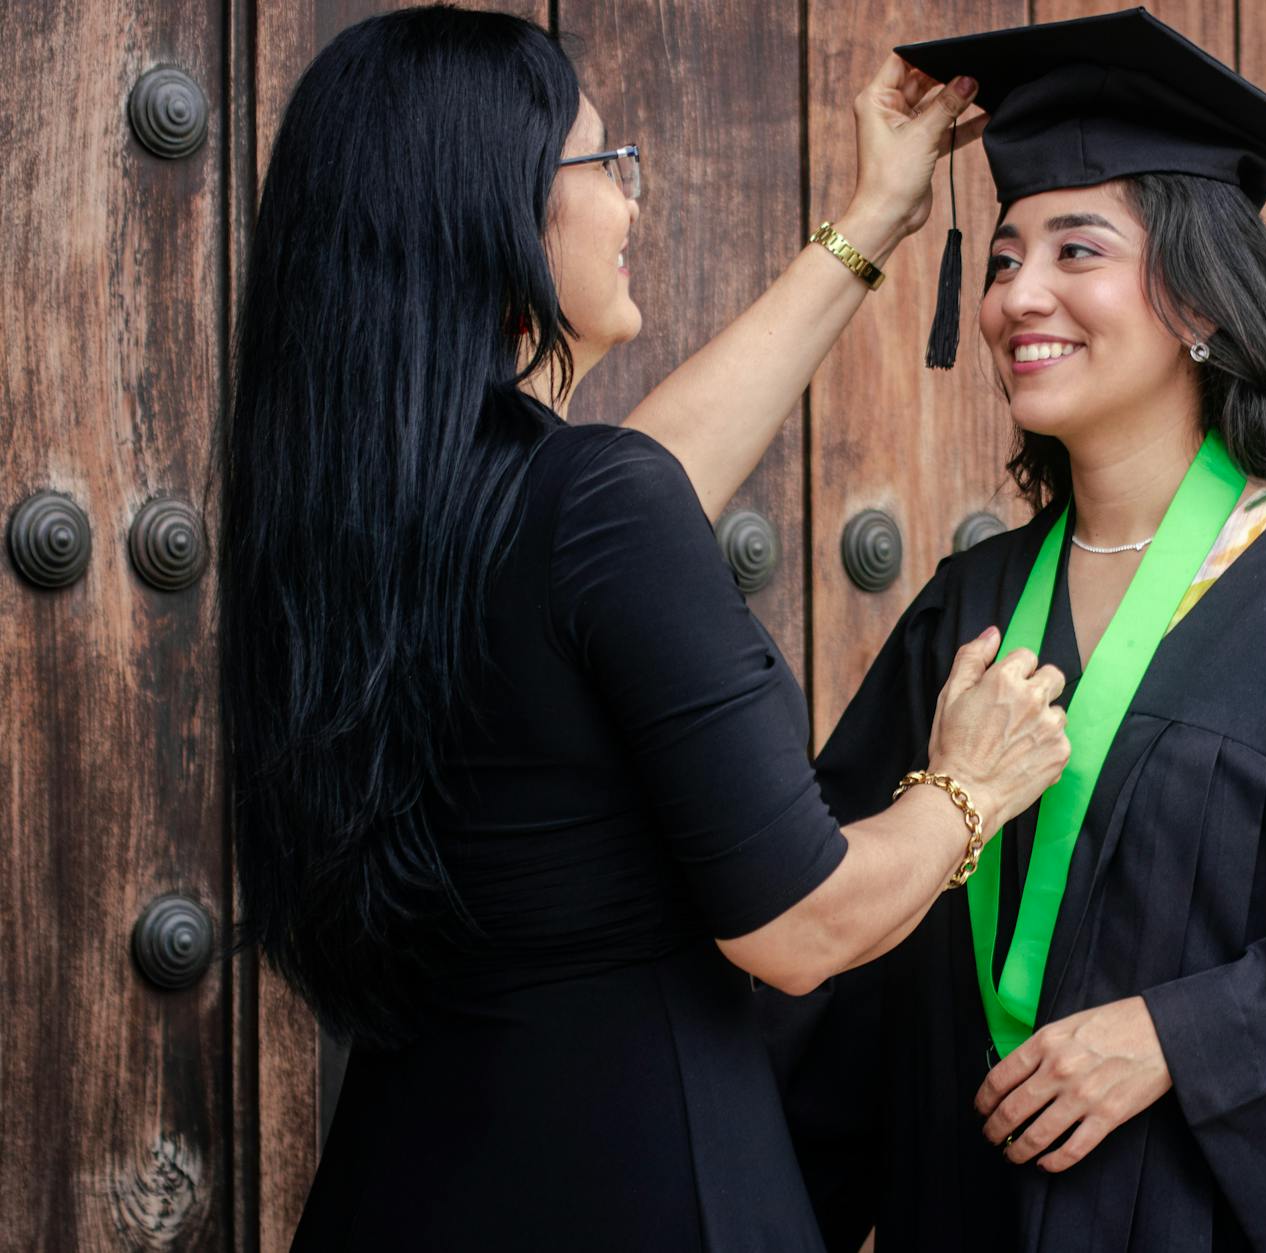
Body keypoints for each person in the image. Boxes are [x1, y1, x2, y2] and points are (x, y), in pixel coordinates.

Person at [217, 8, 1070, 1249]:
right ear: (498, 208)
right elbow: (801, 926)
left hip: (404, 1179)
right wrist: (968, 787)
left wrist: (876, 218)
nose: (631, 201)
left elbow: (638, 488)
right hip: (643, 1183)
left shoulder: (360, 512)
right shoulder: (582, 509)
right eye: (603, 165)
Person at [765, 9, 1266, 1251]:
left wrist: (1176, 1035)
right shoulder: (964, 611)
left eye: (1079, 250)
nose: (1021, 293)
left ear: (1196, 297)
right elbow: (841, 963)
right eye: (1006, 256)